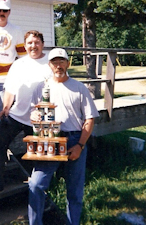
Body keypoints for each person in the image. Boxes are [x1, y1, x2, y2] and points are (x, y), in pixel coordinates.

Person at [28, 48, 99, 225]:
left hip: (75, 140)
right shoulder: (42, 87)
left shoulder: (79, 88)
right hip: (50, 140)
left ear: (68, 63)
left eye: (61, 61)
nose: (58, 65)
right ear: (49, 65)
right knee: (36, 184)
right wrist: (33, 115)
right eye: (54, 62)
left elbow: (90, 119)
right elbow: (33, 111)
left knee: (74, 191)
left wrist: (80, 145)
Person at [0, 30, 52, 193]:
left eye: (36, 42)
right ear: (25, 45)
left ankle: (40, 186)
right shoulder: (19, 64)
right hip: (17, 114)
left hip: (40, 118)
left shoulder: (50, 63)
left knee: (40, 154)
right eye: (29, 43)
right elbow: (10, 89)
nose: (33, 46)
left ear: (42, 44)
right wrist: (6, 107)